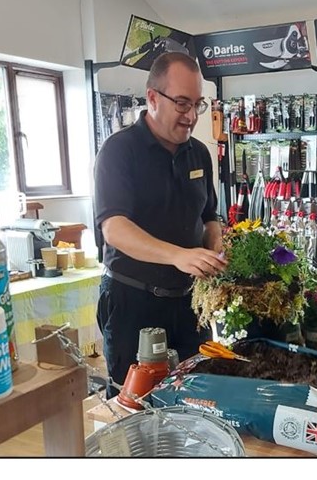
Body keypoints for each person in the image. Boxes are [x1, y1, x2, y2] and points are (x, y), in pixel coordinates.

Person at [93, 51, 227, 398]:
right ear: (152, 97)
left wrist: (213, 249)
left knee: (197, 395)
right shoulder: (119, 151)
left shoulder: (199, 153)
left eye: (197, 104)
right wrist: (179, 255)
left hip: (188, 303)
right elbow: (114, 228)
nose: (191, 116)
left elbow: (209, 216)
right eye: (182, 103)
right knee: (135, 404)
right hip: (132, 302)